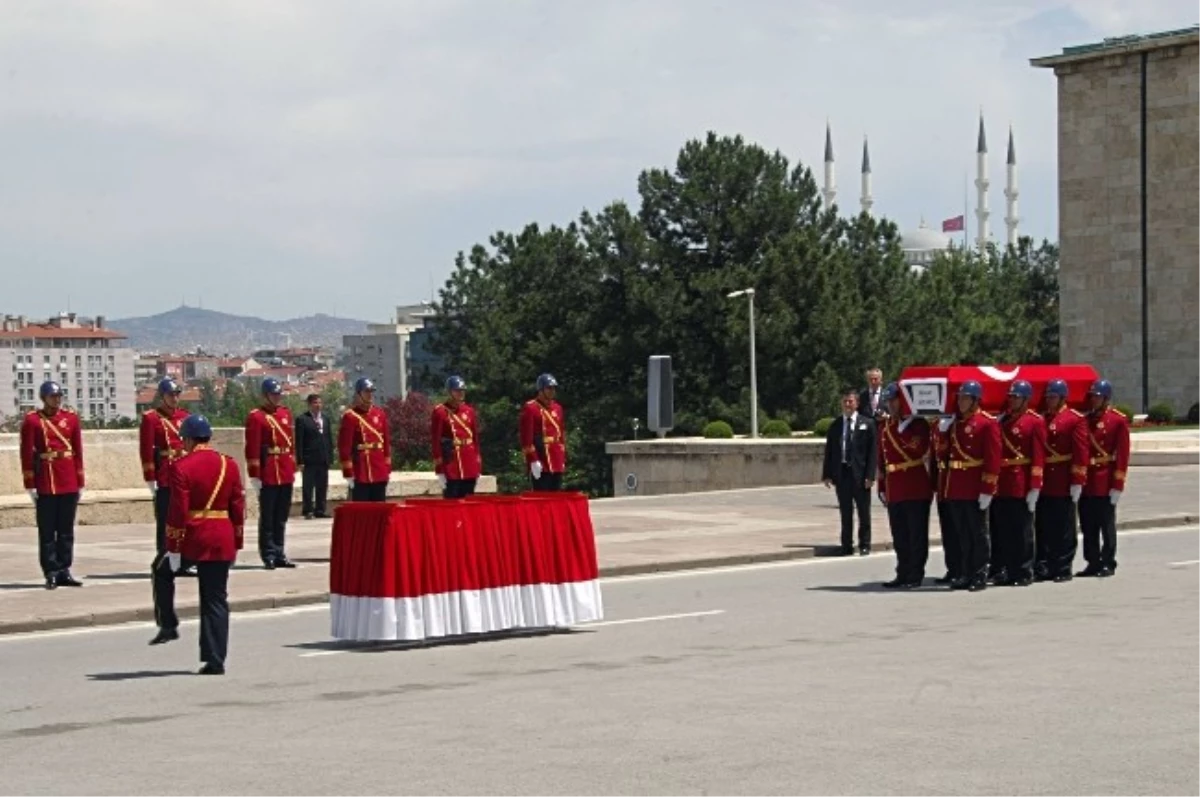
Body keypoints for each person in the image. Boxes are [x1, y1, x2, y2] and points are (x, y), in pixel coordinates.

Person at [159, 414, 246, 674]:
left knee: (162, 572)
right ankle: (215, 658)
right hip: (222, 536)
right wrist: (237, 543)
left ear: (188, 439)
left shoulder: (182, 466)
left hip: (195, 538)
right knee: (216, 599)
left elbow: (177, 511)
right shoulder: (228, 465)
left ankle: (168, 623)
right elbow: (237, 507)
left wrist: (173, 548)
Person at [936, 380, 1001, 591]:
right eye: (960, 398)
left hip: (975, 486)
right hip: (956, 485)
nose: (961, 402)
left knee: (978, 533)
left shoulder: (987, 423)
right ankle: (965, 572)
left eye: (966, 398)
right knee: (962, 533)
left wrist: (988, 488)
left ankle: (979, 573)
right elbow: (944, 454)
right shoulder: (956, 424)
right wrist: (942, 432)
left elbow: (993, 459)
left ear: (975, 401)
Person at [20, 381, 85, 590]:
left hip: (68, 479)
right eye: (52, 396)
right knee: (47, 531)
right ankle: (51, 571)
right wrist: (30, 483)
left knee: (66, 530)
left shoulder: (71, 419)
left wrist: (80, 480)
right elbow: (26, 453)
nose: (56, 400)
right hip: (46, 480)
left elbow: (77, 451)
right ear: (44, 398)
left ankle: (64, 568)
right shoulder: (33, 421)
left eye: (59, 396)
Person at [140, 378, 192, 639]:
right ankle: (166, 556)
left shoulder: (185, 417)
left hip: (182, 474)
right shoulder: (151, 419)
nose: (175, 398)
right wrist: (151, 477)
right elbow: (147, 450)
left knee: (184, 521)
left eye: (177, 393)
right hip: (164, 474)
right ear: (162, 396)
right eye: (170, 394)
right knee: (166, 523)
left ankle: (183, 560)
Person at [990, 380, 1047, 587]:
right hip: (1002, 482)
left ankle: (1023, 570)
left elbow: (1039, 456)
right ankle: (1006, 568)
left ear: (1025, 400)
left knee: (1021, 530)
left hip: (1021, 481)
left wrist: (1035, 486)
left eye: (1016, 397)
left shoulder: (1035, 422)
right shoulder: (1002, 420)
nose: (1012, 400)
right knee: (1003, 529)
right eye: (1011, 397)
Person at [876, 382, 933, 588]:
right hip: (895, 487)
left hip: (915, 485)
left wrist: (902, 429)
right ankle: (902, 571)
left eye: (894, 400)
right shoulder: (886, 427)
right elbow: (882, 461)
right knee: (899, 535)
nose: (890, 405)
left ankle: (915, 574)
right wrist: (882, 487)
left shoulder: (918, 424)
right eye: (888, 401)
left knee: (916, 534)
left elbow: (917, 449)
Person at [1035, 378, 1088, 582]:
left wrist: (1078, 479)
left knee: (1064, 526)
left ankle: (1063, 566)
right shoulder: (1042, 419)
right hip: (1045, 479)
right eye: (1047, 396)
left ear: (1063, 398)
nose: (1049, 400)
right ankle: (1046, 565)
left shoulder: (1074, 419)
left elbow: (1081, 451)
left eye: (1053, 397)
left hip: (1063, 478)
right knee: (1044, 525)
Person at [1077, 379, 1131, 578]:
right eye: (1092, 396)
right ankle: (1092, 561)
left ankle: (1108, 561)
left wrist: (1118, 484)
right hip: (1088, 480)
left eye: (1097, 396)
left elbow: (1122, 455)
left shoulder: (1117, 420)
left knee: (1106, 524)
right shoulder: (1085, 420)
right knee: (1087, 523)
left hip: (1105, 479)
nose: (1094, 400)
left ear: (1106, 398)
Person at [243, 378, 297, 569]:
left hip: (284, 469)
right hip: (268, 471)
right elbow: (252, 447)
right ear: (265, 395)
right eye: (274, 394)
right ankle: (268, 554)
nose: (277, 397)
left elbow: (290, 444)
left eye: (278, 394)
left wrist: (292, 466)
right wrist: (255, 474)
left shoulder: (285, 414)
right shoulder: (256, 417)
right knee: (268, 516)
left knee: (281, 516)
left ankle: (280, 552)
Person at [821, 388, 877, 556]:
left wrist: (870, 475)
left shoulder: (867, 423)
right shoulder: (836, 425)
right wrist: (827, 474)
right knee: (845, 512)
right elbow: (830, 451)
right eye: (845, 401)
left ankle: (865, 544)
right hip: (842, 474)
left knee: (863, 512)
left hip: (860, 475)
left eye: (850, 401)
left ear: (857, 403)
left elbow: (872, 453)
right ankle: (846, 545)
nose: (847, 404)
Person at [338, 377, 392, 501]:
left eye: (371, 391)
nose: (370, 395)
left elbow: (386, 443)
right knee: (362, 510)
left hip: (378, 468)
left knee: (379, 509)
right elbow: (344, 447)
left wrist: (387, 467)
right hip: (361, 469)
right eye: (366, 392)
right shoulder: (350, 416)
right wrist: (348, 472)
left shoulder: (379, 413)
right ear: (358, 394)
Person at [430, 376, 482, 498]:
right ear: (449, 392)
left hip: (468, 460)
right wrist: (439, 469)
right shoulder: (440, 412)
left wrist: (477, 463)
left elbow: (475, 439)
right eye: (457, 390)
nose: (460, 393)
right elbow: (436, 440)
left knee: (469, 499)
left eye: (462, 390)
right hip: (452, 462)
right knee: (452, 501)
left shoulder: (469, 411)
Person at [519, 373, 567, 491]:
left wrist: (562, 457)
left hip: (556, 456)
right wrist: (533, 460)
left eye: (553, 388)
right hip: (542, 458)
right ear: (541, 390)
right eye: (549, 388)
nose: (552, 391)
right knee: (542, 497)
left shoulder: (557, 408)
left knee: (556, 495)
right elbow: (527, 438)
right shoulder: (531, 408)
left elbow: (560, 434)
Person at [929, 415, 961, 585]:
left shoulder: (957, 423)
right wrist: (934, 484)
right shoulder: (936, 424)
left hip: (957, 480)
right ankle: (953, 568)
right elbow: (935, 457)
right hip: (943, 482)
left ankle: (964, 569)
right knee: (948, 530)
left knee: (960, 530)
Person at [295, 393, 333, 519]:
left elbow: (329, 439)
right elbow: (299, 441)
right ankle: (308, 510)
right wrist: (300, 460)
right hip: (309, 459)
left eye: (320, 403)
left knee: (322, 486)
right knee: (308, 486)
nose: (318, 405)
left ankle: (320, 510)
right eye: (315, 403)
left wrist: (330, 457)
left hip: (323, 458)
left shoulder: (325, 419)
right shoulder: (302, 419)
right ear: (309, 404)